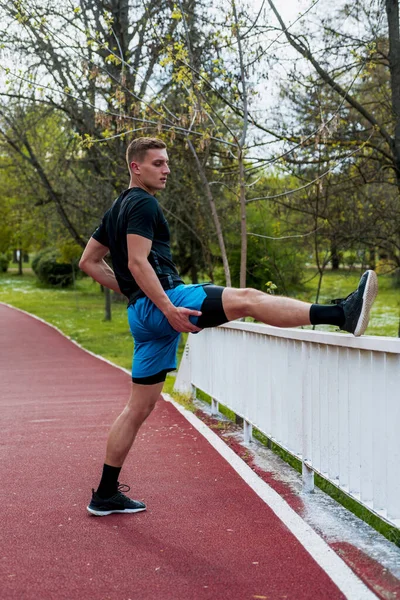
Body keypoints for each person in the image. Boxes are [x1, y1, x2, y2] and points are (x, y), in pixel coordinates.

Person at [79, 137, 378, 517]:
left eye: (167, 162)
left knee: (136, 410)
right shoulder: (141, 202)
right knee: (248, 299)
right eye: (158, 163)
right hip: (166, 302)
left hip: (142, 313)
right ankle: (343, 314)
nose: (166, 169)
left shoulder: (115, 209)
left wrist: (136, 295)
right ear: (136, 167)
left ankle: (104, 493)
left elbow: (89, 262)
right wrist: (166, 305)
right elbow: (138, 264)